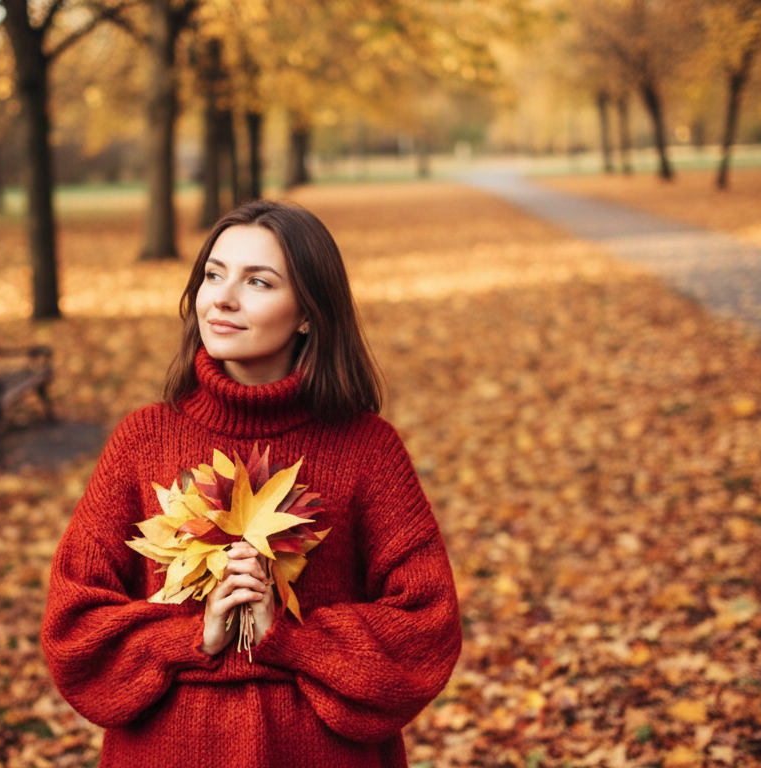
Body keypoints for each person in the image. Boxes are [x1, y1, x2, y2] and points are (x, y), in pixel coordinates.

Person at [42, 200, 461, 768]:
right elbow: (74, 626)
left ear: (309, 313)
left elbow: (426, 625)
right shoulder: (143, 440)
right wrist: (194, 634)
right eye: (214, 274)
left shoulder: (367, 449)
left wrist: (292, 638)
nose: (223, 298)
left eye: (257, 281)